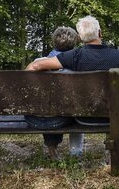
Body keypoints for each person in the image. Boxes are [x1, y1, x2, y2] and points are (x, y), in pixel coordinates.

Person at [25, 16, 119, 156]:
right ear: (100, 33)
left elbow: (36, 65)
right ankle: (110, 153)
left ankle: (65, 153)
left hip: (83, 116)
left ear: (80, 37)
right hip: (114, 116)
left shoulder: (74, 55)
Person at [24, 26, 81, 160]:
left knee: (46, 106)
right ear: (74, 43)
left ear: (54, 42)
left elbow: (22, 81)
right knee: (76, 110)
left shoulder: (37, 63)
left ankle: (52, 150)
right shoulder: (78, 66)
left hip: (34, 120)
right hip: (63, 119)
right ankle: (76, 153)